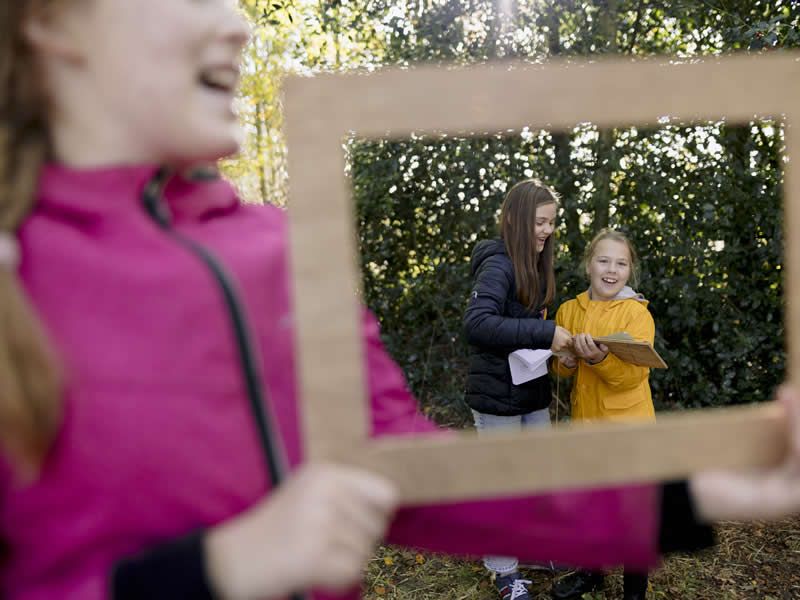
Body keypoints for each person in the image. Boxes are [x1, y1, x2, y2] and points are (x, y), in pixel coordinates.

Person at [3, 2, 800, 600]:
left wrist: (713, 487)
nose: (235, 22)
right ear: (53, 22)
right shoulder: (17, 279)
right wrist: (211, 571)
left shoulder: (284, 248)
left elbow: (414, 471)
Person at [463, 178, 572, 599]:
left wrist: (556, 349)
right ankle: (505, 573)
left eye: (551, 223)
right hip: (496, 397)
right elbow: (477, 324)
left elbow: (524, 332)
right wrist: (546, 333)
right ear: (515, 220)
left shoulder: (536, 263)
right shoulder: (499, 264)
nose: (547, 230)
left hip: (530, 392)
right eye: (540, 222)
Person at [551, 228, 658, 599]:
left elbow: (633, 376)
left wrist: (599, 358)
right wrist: (565, 361)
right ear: (588, 264)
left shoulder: (636, 315)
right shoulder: (569, 309)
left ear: (630, 270)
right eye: (604, 260)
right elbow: (562, 370)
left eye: (621, 263)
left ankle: (634, 590)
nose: (611, 270)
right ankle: (591, 572)